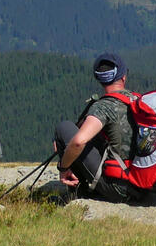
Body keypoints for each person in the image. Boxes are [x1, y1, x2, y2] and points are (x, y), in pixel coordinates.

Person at [52, 52, 144, 203]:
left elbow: (78, 142)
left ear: (99, 79)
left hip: (119, 188)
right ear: (123, 77)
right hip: (144, 183)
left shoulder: (103, 107)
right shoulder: (139, 101)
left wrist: (63, 168)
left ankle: (78, 189)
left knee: (65, 128)